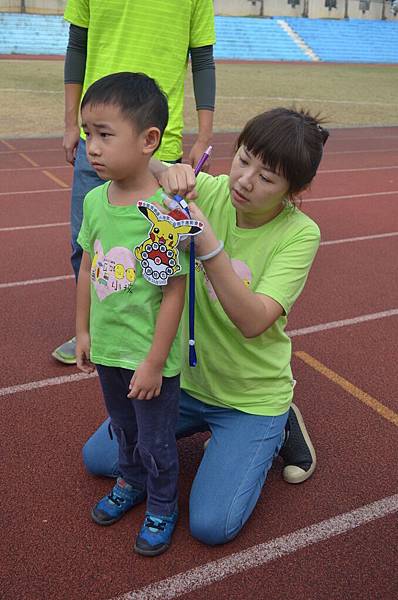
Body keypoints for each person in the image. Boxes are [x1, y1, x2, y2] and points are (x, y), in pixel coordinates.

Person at [82, 107, 329, 546]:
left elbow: (253, 321)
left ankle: (278, 425)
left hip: (248, 395)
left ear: (295, 190)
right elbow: (144, 161)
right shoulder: (210, 190)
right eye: (244, 159)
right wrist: (169, 169)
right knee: (101, 459)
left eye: (267, 178)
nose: (245, 181)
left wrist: (207, 243)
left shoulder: (300, 235)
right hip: (185, 383)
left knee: (210, 526)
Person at [75, 72, 200, 556]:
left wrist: (153, 362)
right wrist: (82, 329)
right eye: (88, 133)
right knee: (122, 428)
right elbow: (88, 264)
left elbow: (173, 293)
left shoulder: (166, 211)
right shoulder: (93, 200)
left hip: (149, 358)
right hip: (108, 349)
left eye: (105, 134)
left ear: (150, 140)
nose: (93, 147)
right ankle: (132, 483)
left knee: (155, 440)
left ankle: (163, 503)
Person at [53, 0, 216, 364]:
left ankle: (158, 344)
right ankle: (96, 329)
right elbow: (77, 44)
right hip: (98, 131)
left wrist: (204, 134)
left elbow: (202, 58)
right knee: (87, 245)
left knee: (161, 259)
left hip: (159, 139)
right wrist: (72, 125)